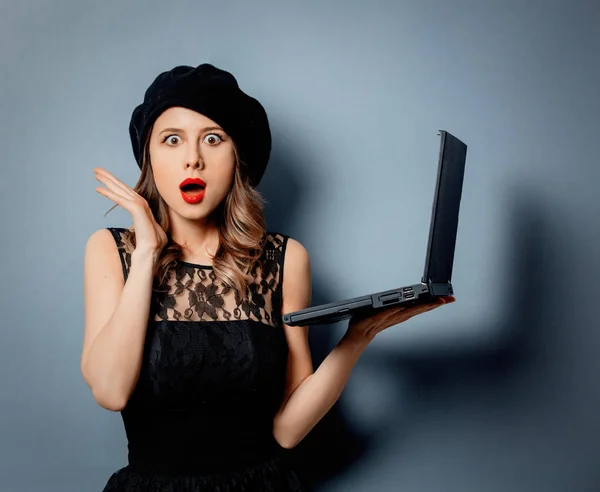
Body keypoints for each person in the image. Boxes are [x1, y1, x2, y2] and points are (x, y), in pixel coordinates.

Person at [80, 63, 454, 492]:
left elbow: (287, 431)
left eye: (213, 139)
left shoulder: (285, 260)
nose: (193, 158)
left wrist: (358, 337)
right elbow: (110, 391)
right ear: (150, 158)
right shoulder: (113, 251)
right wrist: (147, 251)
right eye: (172, 140)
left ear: (237, 158)